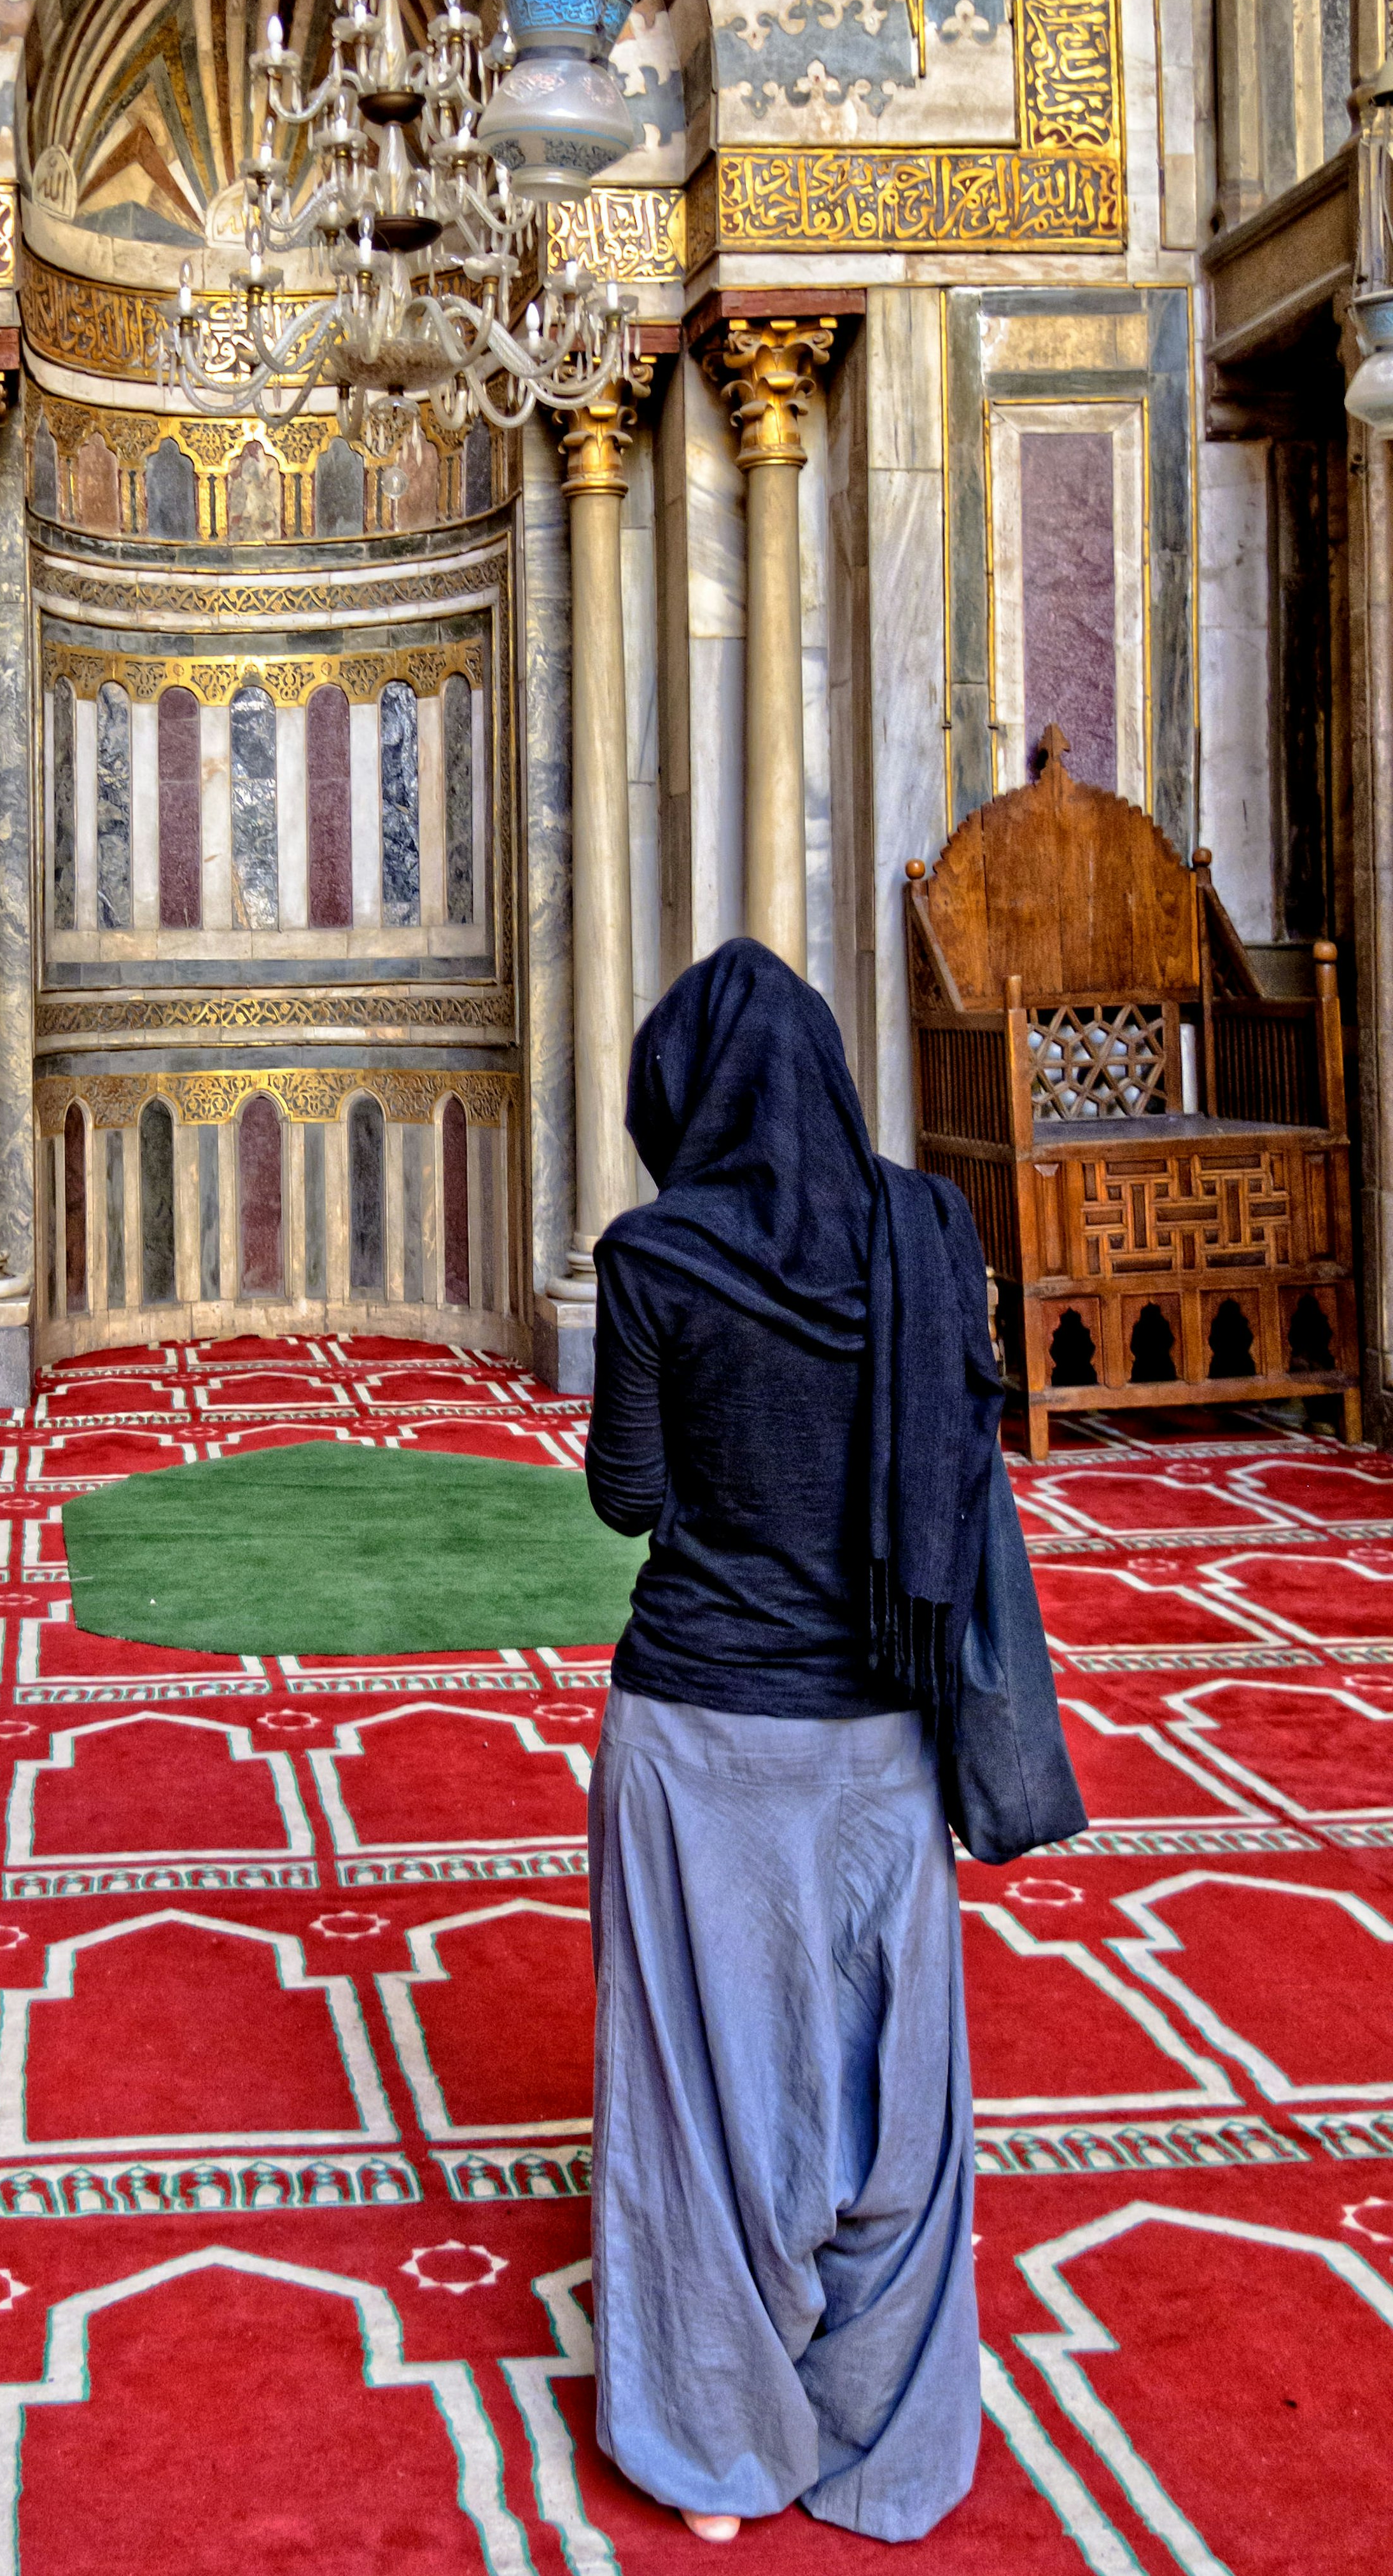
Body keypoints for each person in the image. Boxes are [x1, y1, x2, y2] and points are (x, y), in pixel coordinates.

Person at [582, 937, 1004, 2545]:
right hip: (882, 1737)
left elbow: (628, 1498)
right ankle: (877, 2439)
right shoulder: (925, 1232)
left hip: (700, 1731)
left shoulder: (656, 1261)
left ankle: (718, 2445)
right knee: (887, 2092)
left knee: (707, 2100)